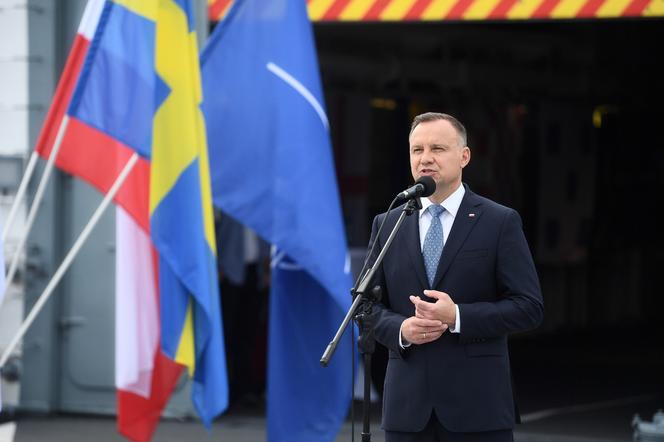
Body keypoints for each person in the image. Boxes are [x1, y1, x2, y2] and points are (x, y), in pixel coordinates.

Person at [365, 112, 543, 442]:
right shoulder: (388, 223)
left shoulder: (499, 222)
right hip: (407, 410)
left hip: (478, 408)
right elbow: (365, 308)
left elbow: (529, 307)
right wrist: (401, 329)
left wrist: (457, 316)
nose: (425, 158)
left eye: (437, 148)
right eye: (417, 150)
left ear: (464, 156)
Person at [215, 209, 271, 408]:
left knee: (248, 333)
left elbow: (265, 237)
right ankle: (227, 391)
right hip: (229, 273)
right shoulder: (229, 202)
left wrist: (266, 269)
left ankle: (244, 389)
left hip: (253, 273)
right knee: (227, 333)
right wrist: (219, 266)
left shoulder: (257, 204)